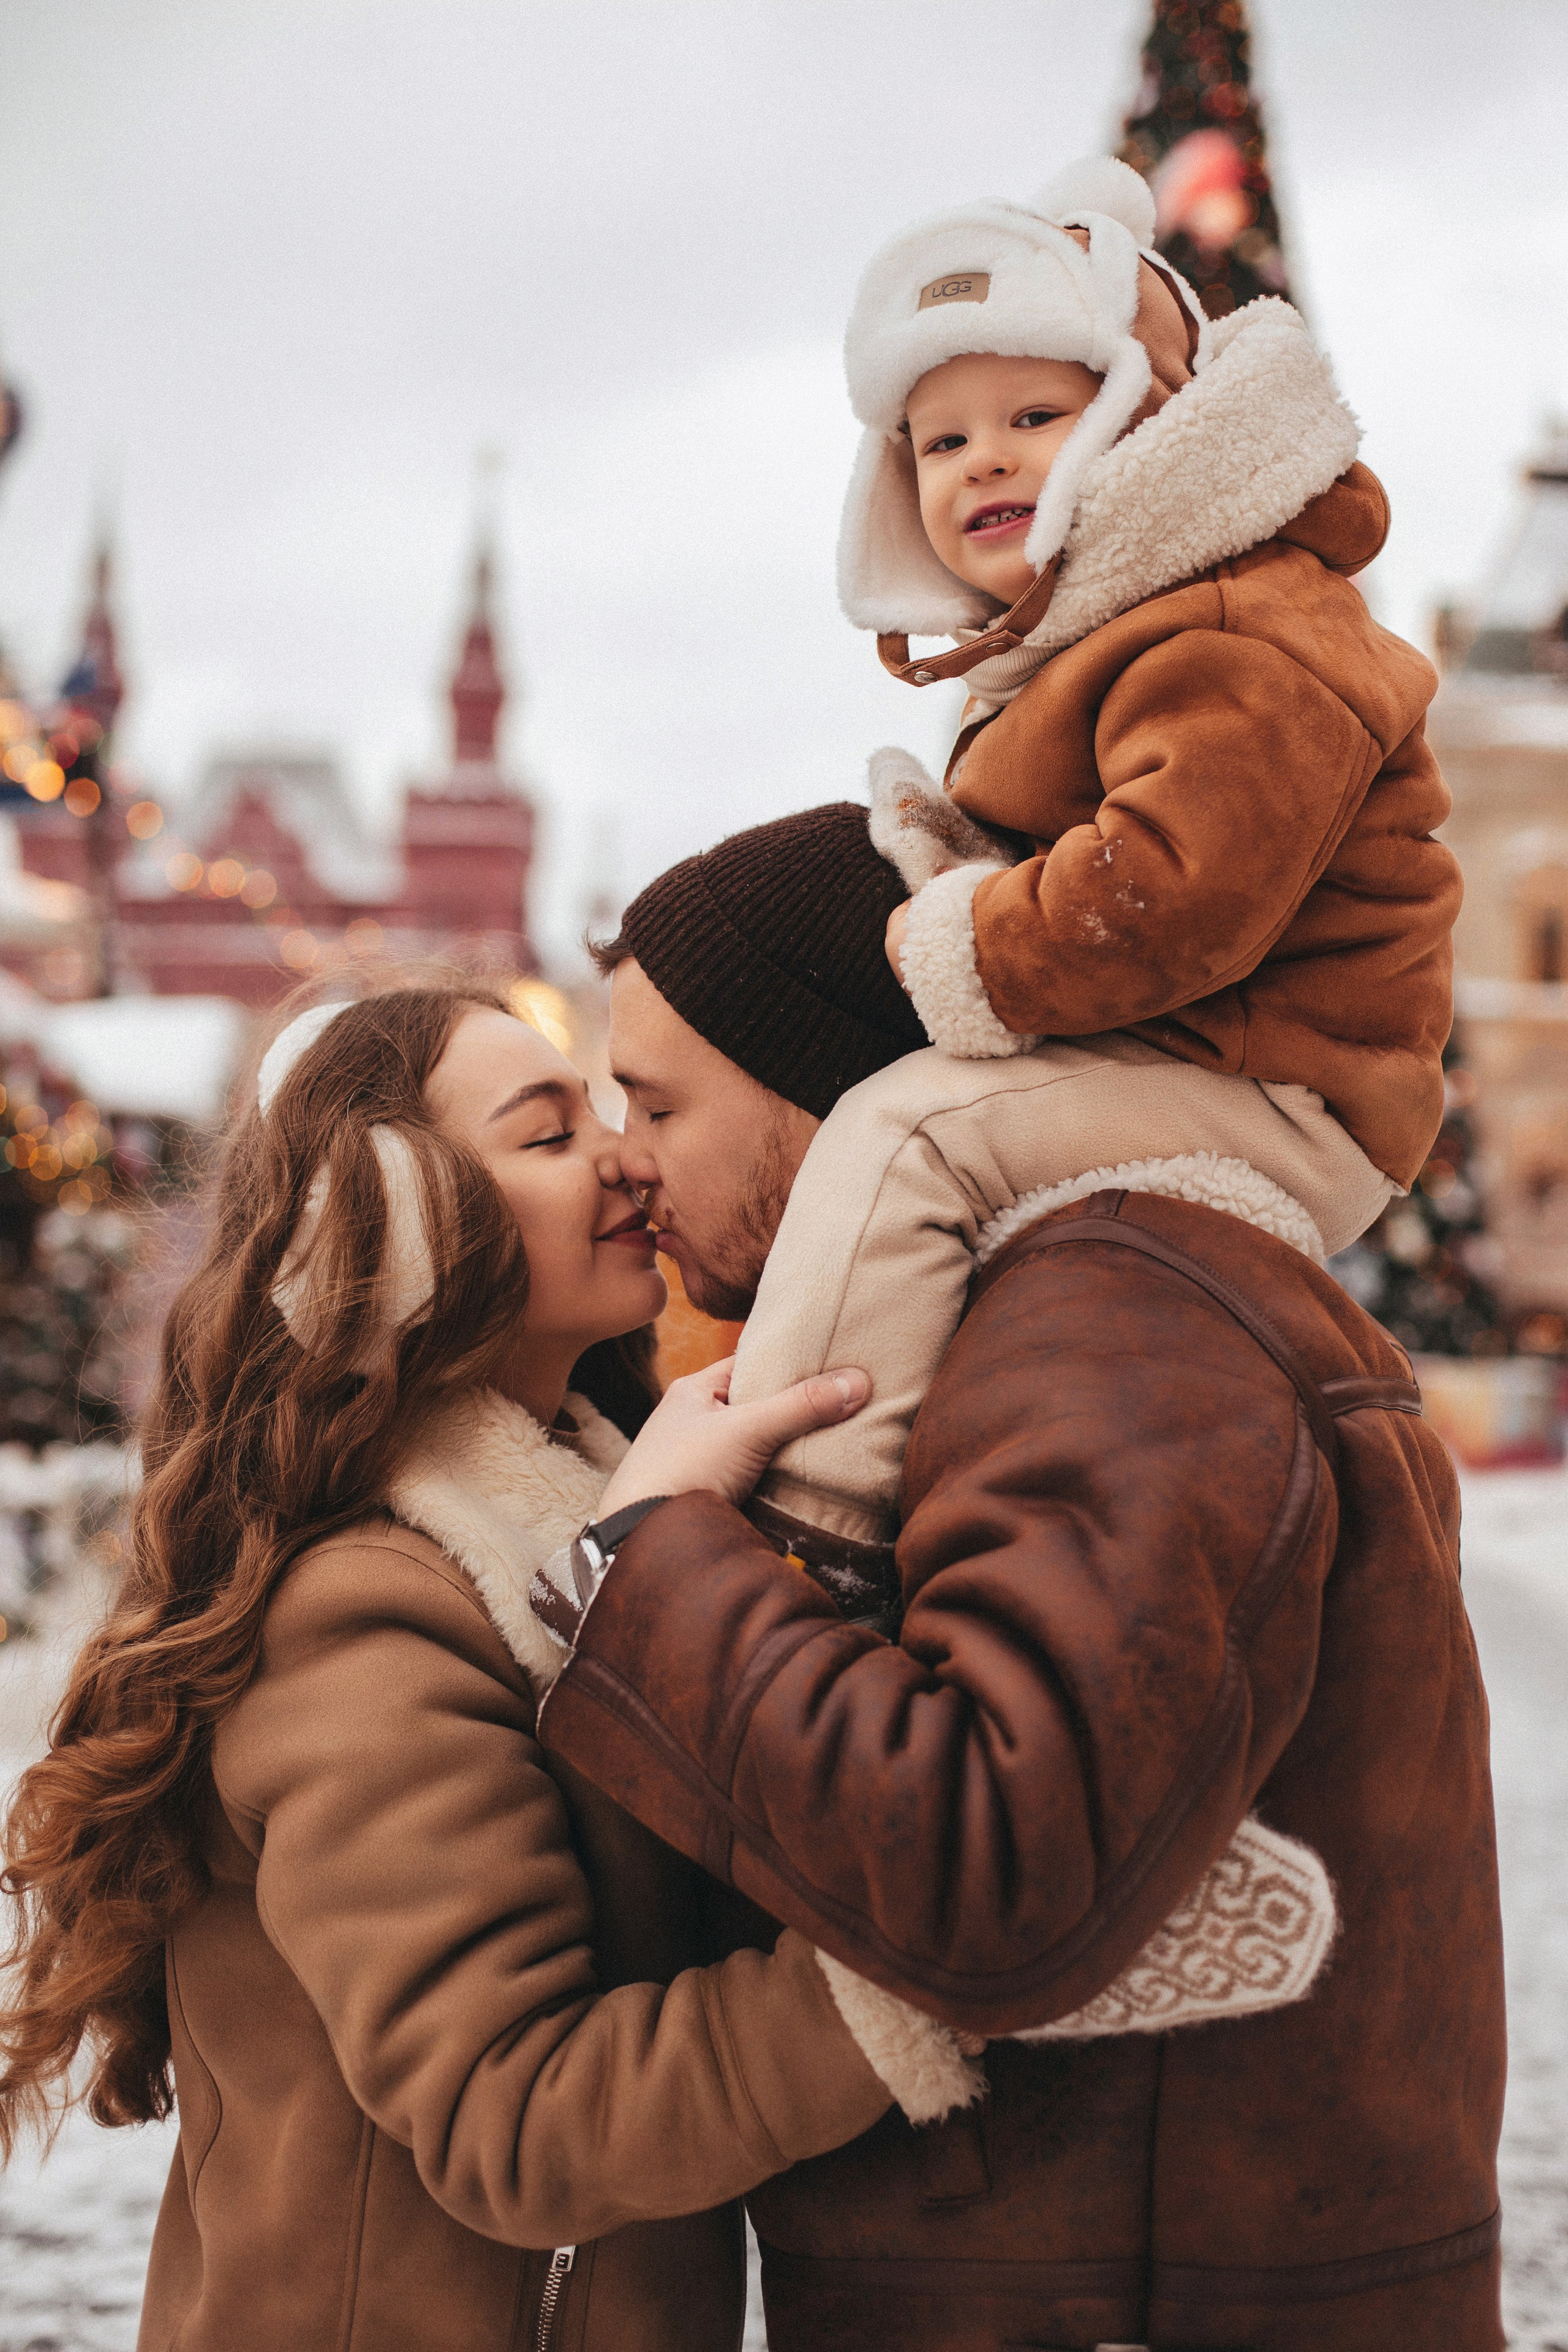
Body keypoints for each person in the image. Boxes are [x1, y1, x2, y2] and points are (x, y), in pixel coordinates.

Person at [533, 807, 1507, 2352]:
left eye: (654, 1102)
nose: (623, 1159)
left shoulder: (1111, 1324)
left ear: (822, 1088)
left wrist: (649, 1563)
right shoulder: (1054, 1313)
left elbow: (989, 1863)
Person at [0, 979, 914, 2352]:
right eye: (546, 1135)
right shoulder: (361, 1620)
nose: (620, 1153)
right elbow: (519, 2118)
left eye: (607, 1112)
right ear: (403, 1223)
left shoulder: (565, 1529)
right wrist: (935, 1977)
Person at [837, 156, 1461, 1200]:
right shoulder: (1079, 638)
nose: (986, 458)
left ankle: (832, 1376)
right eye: (944, 440)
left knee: (904, 1144)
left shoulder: (1232, 629)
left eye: (1036, 418)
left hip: (1286, 1079)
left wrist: (961, 937)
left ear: (1144, 425)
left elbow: (1170, 895)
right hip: (1178, 1046)